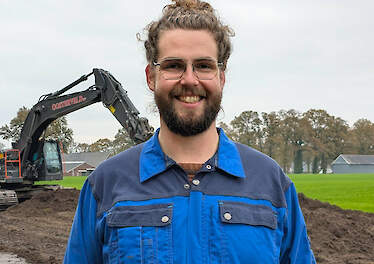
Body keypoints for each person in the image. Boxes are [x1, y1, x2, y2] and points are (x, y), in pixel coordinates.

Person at [64, 0, 316, 263]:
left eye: (204, 66)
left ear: (222, 76)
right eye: (174, 65)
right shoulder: (105, 183)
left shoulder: (271, 182)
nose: (189, 79)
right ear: (151, 77)